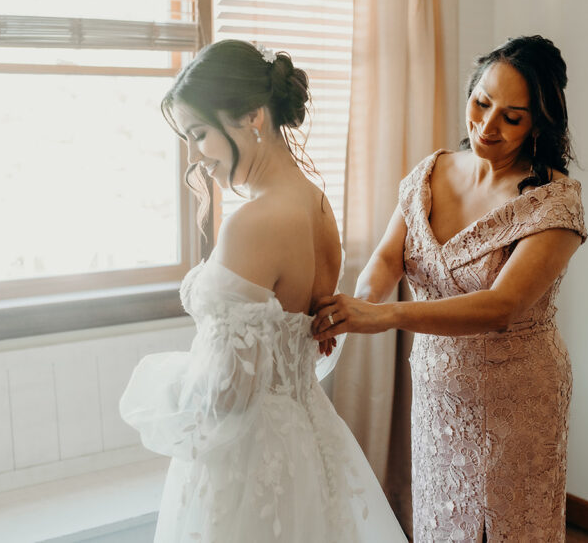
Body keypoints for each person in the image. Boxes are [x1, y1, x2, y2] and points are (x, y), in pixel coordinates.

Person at [119, 39, 407, 542]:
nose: (194, 154)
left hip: (249, 461)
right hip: (305, 441)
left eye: (199, 133)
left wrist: (161, 390)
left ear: (252, 117)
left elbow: (228, 395)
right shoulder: (318, 207)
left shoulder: (254, 224)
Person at [311, 35, 588, 543]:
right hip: (440, 391)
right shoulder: (430, 172)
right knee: (444, 522)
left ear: (539, 123)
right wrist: (360, 304)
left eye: (512, 116)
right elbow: (386, 258)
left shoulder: (555, 204)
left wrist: (388, 318)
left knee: (508, 530)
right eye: (481, 102)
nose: (487, 126)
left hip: (517, 395)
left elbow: (501, 306)